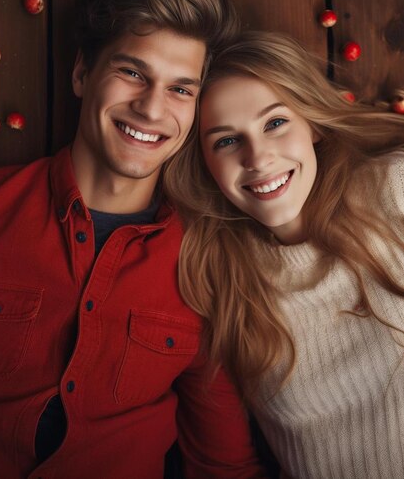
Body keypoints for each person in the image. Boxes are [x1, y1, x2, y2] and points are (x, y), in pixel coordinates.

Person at [0, 0, 268, 479]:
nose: (152, 108)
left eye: (181, 88)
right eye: (133, 72)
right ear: (81, 73)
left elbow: (223, 464)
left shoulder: (204, 265)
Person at [165, 31, 404, 479]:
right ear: (205, 165)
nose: (258, 157)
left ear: (312, 123)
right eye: (226, 141)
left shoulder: (395, 190)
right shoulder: (219, 283)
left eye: (275, 123)